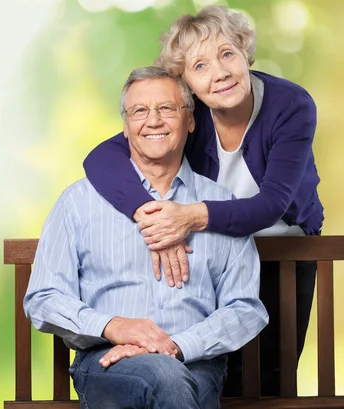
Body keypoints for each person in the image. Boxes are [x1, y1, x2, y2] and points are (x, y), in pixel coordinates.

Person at [82, 6, 322, 396]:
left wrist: (189, 217)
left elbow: (272, 204)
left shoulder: (291, 106)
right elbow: (101, 157)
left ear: (245, 53)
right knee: (212, 371)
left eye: (227, 54)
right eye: (200, 66)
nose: (220, 73)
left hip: (284, 248)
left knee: (272, 384)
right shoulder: (187, 117)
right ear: (187, 85)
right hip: (218, 253)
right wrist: (152, 214)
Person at [24, 66, 268, 409]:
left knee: (169, 377)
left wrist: (176, 346)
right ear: (125, 127)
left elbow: (245, 309)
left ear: (191, 120)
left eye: (167, 109)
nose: (153, 121)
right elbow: (43, 298)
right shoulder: (79, 201)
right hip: (107, 363)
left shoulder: (220, 206)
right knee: (165, 379)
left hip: (194, 362)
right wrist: (113, 326)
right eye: (139, 111)